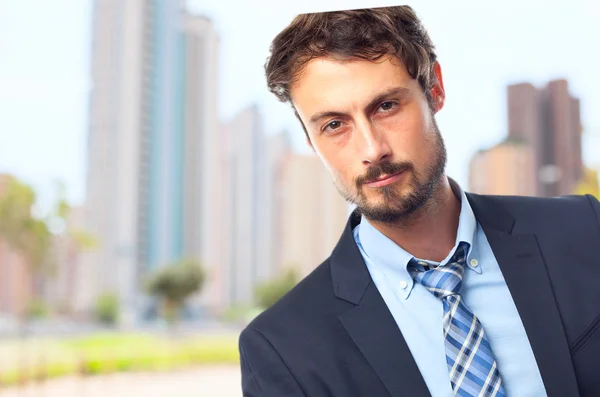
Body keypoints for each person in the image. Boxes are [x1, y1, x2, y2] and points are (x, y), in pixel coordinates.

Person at [238, 6, 600, 397]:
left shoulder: (584, 232)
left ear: (435, 89)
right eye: (334, 125)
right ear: (310, 141)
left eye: (386, 106)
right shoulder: (281, 349)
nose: (372, 150)